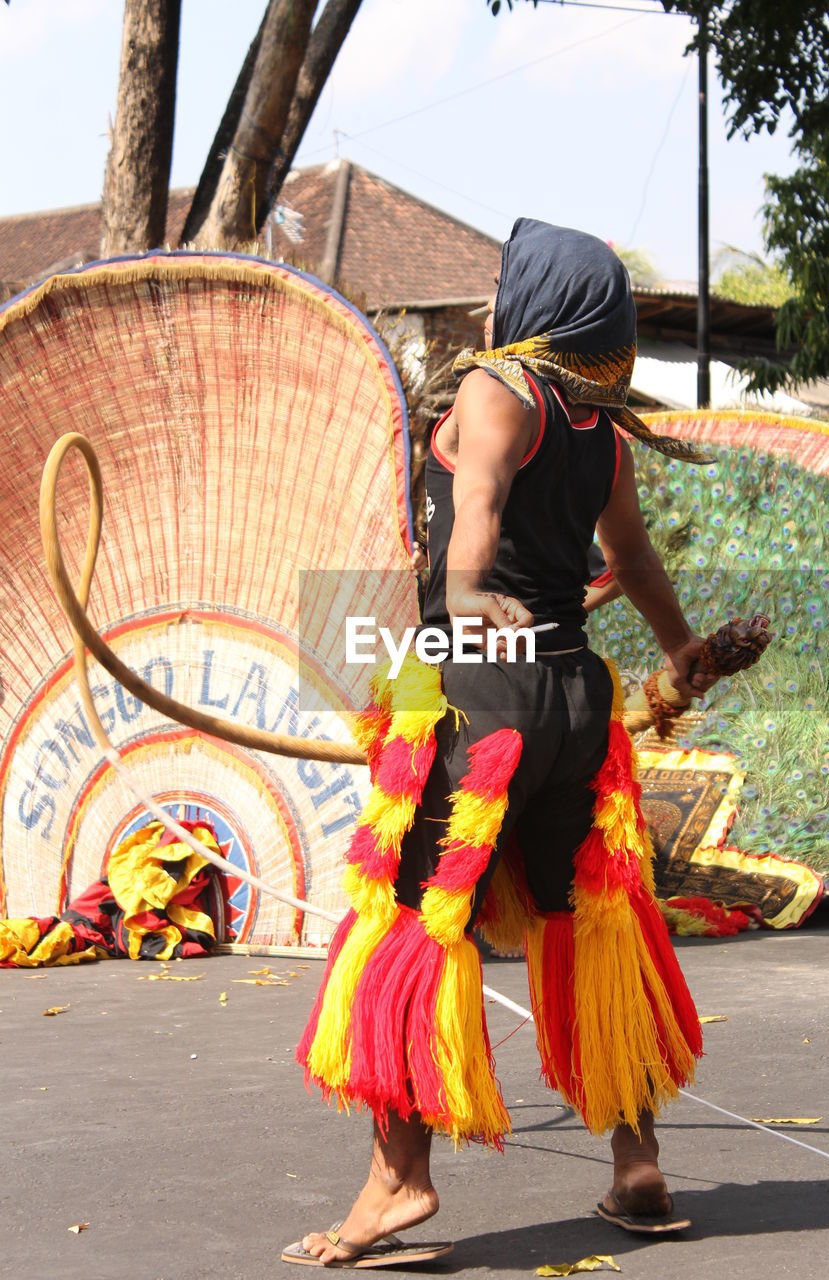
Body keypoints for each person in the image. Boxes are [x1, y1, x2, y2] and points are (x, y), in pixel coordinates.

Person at [285, 221, 716, 1268]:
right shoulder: (597, 429)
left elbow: (472, 510)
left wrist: (469, 590)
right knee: (593, 922)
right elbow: (636, 561)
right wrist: (684, 651)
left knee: (416, 922)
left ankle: (398, 1182)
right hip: (577, 703)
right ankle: (636, 1162)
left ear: (533, 304)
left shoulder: (494, 390)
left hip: (483, 704)